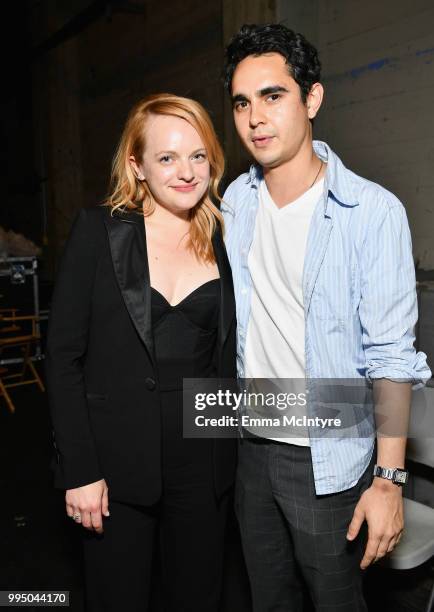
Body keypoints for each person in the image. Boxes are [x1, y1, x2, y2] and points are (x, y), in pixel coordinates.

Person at [221, 23, 431, 611]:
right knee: (268, 599)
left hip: (330, 456)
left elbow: (392, 358)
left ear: (312, 98)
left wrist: (388, 483)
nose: (256, 117)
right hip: (249, 443)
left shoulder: (372, 212)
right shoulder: (234, 202)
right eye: (242, 102)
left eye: (273, 95)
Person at [46, 93, 237, 612]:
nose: (186, 172)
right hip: (115, 463)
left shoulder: (224, 235)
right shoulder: (98, 232)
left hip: (205, 461)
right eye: (167, 157)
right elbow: (62, 357)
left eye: (198, 156)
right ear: (137, 165)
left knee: (199, 598)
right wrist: (79, 469)